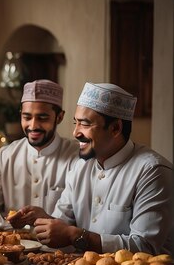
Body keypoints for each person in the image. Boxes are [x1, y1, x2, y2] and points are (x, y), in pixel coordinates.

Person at [18, 83, 173, 254]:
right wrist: (45, 220)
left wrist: (75, 235)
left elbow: (145, 247)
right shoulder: (81, 166)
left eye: (84, 124)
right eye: (75, 123)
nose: (75, 133)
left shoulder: (152, 171)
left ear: (115, 128)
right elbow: (63, 226)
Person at [0, 80, 78, 221]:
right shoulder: (5, 156)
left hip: (60, 243)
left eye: (42, 118)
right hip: (12, 240)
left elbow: (77, 219)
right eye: (27, 117)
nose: (33, 125)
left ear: (59, 117)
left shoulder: (76, 156)